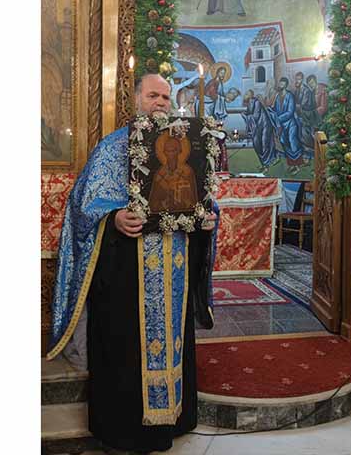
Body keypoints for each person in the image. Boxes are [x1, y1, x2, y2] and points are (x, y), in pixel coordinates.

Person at [47, 74, 219, 454]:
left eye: (166, 97)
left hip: (173, 269)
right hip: (126, 277)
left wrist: (207, 220)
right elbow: (83, 208)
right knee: (126, 354)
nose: (161, 102)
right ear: (136, 99)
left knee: (173, 345)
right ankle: (123, 431)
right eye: (153, 95)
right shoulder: (112, 148)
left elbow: (202, 200)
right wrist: (113, 219)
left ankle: (174, 418)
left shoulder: (188, 148)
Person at [241, 89, 279, 172]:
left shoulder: (256, 102)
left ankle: (266, 165)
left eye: (246, 94)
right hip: (258, 127)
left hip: (265, 125)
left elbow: (255, 116)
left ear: (251, 95)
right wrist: (246, 114)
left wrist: (245, 116)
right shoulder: (250, 103)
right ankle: (265, 164)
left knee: (264, 144)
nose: (245, 95)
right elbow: (250, 113)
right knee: (257, 145)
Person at [273, 77, 304, 174]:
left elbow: (290, 112)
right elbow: (275, 109)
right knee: (285, 143)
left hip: (291, 124)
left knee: (293, 142)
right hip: (282, 125)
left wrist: (278, 118)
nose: (280, 85)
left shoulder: (290, 96)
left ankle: (297, 166)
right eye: (280, 83)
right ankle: (291, 165)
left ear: (286, 85)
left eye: (282, 84)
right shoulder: (277, 96)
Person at [293, 71, 318, 156]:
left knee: (306, 133)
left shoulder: (306, 90)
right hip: (301, 114)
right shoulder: (297, 89)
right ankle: (307, 151)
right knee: (301, 133)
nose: (297, 81)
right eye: (296, 79)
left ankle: (311, 151)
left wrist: (294, 106)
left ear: (302, 79)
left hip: (308, 115)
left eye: (299, 79)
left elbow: (302, 104)